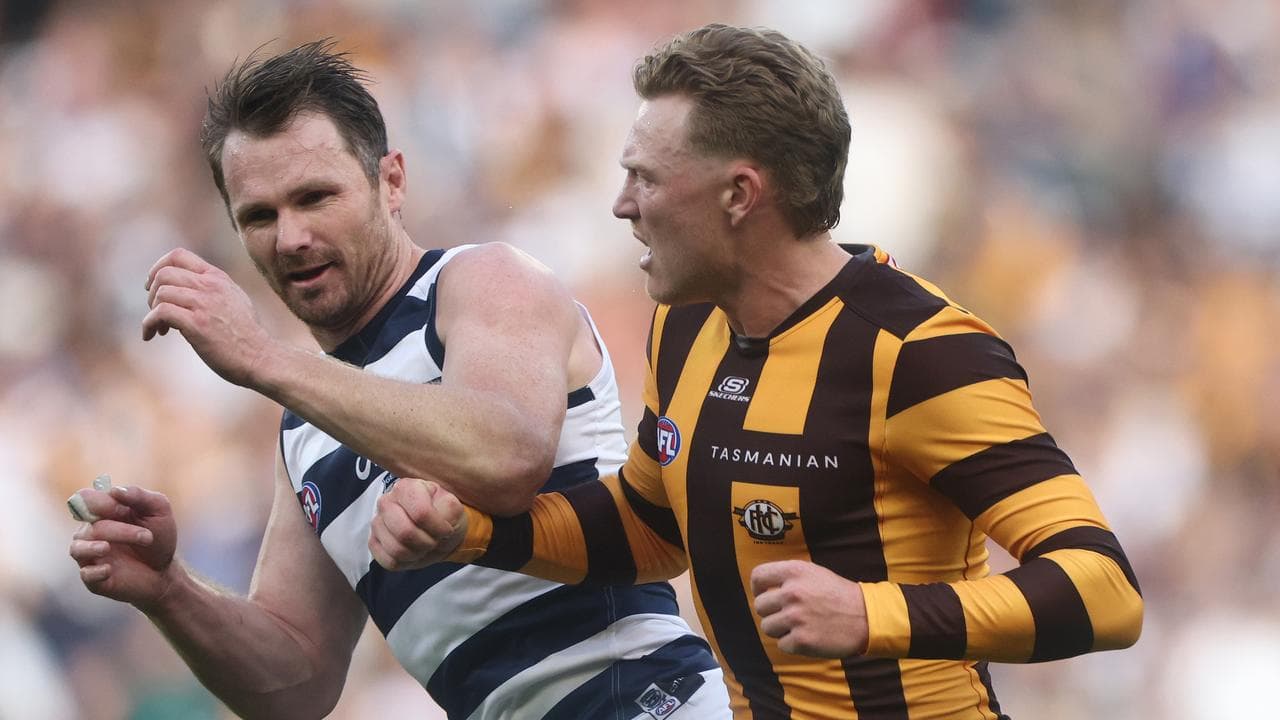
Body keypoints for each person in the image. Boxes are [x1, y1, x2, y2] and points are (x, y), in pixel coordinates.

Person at [378, 23, 1145, 720]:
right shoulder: (687, 325)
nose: (621, 205)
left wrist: (873, 615)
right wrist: (472, 531)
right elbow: (651, 527)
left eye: (645, 178)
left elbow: (1105, 591)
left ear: (740, 194)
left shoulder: (919, 349)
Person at [65, 40, 731, 720]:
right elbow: (297, 683)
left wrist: (262, 357)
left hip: (652, 701)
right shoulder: (305, 431)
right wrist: (167, 589)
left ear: (392, 182)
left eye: (315, 197)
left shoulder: (481, 281)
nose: (290, 237)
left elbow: (506, 455)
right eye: (259, 216)